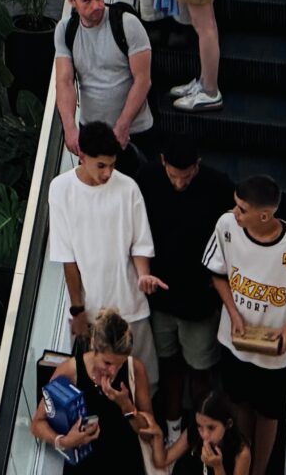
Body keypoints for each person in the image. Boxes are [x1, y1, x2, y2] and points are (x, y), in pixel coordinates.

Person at [206, 174, 286, 475]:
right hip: (235, 341)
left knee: (269, 413)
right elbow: (216, 271)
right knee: (239, 404)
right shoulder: (226, 226)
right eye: (235, 206)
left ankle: (259, 470)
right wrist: (233, 312)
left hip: (273, 352)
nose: (235, 213)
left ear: (264, 214)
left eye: (242, 209)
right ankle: (243, 464)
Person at [43, 127, 165, 391]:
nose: (107, 173)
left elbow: (140, 243)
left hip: (131, 305)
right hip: (92, 311)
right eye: (101, 165)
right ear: (82, 156)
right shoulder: (61, 189)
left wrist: (143, 274)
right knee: (96, 382)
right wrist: (77, 310)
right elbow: (68, 258)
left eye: (112, 165)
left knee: (146, 382)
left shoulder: (128, 187)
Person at [135, 125, 232, 419]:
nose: (179, 183)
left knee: (201, 370)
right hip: (160, 298)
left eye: (187, 176)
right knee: (168, 367)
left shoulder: (218, 186)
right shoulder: (146, 180)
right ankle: (174, 425)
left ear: (197, 165)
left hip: (199, 303)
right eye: (174, 176)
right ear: (163, 161)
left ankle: (200, 432)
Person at [33, 305, 156, 475]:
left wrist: (126, 406)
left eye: (119, 364)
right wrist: (64, 441)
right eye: (107, 363)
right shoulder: (69, 371)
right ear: (93, 347)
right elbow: (38, 423)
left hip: (125, 462)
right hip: (85, 465)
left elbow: (149, 434)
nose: (112, 371)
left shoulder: (134, 369)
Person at [53, 0, 155, 160]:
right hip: (92, 131)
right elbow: (64, 81)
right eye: (87, 1)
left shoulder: (127, 23)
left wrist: (122, 126)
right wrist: (69, 128)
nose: (97, 5)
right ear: (71, 1)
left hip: (135, 131)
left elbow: (143, 80)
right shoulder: (65, 30)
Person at [131, 390, 250, 475]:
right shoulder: (193, 432)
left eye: (211, 428)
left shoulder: (241, 452)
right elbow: (162, 461)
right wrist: (158, 436)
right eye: (200, 426)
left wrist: (217, 467)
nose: (204, 435)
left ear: (228, 424)